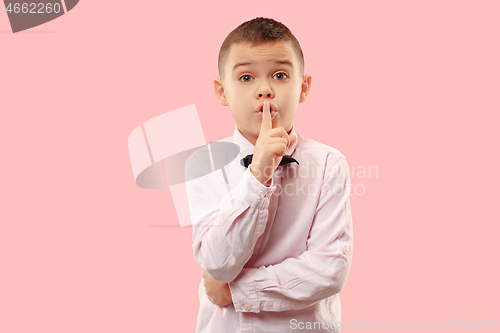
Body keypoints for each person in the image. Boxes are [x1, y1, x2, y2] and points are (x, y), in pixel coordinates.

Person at [185, 17, 353, 333]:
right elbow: (217, 263)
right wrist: (258, 174)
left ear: (303, 87)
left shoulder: (330, 163)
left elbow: (330, 269)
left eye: (279, 75)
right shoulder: (200, 164)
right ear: (222, 92)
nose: (264, 90)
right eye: (246, 77)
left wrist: (237, 291)